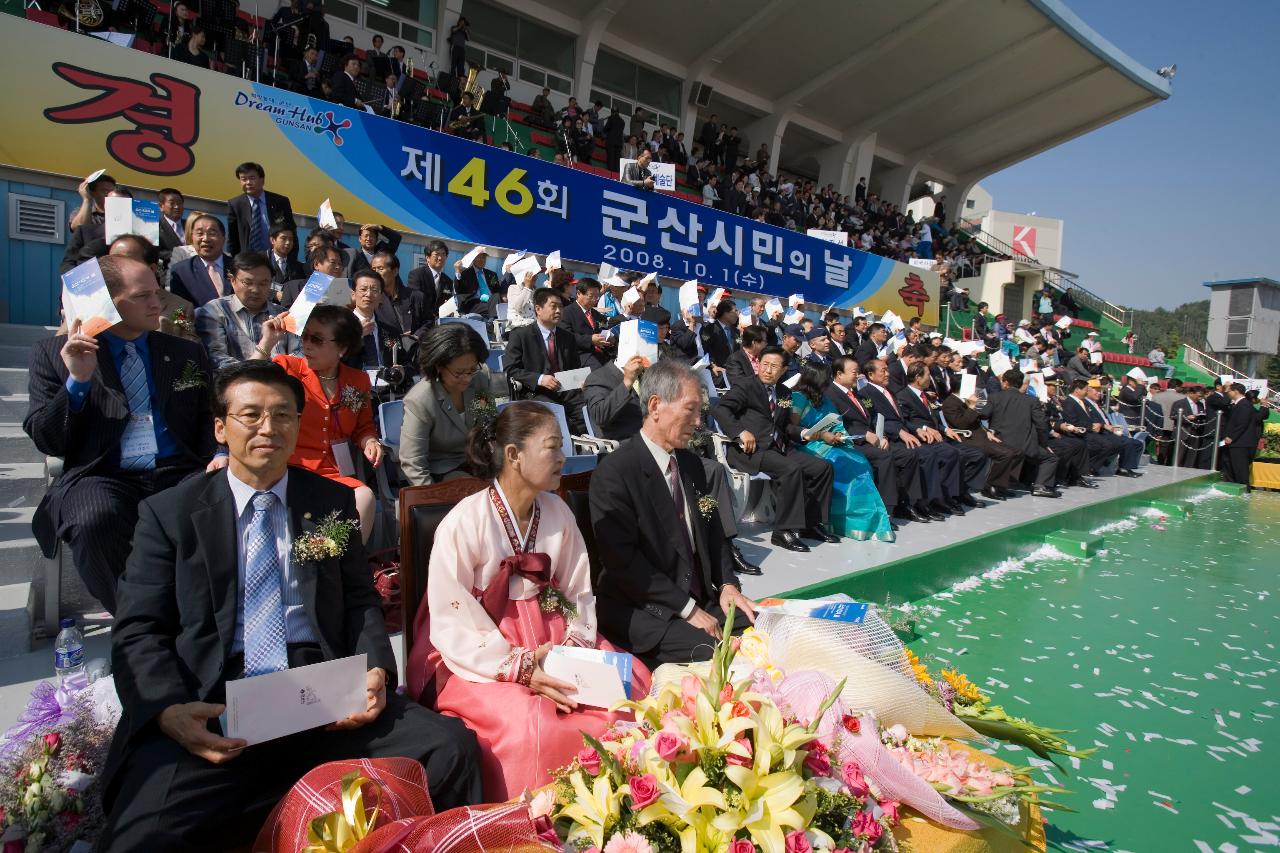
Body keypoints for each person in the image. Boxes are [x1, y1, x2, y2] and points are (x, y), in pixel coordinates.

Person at [97, 361, 481, 851]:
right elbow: (139, 629)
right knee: (144, 832)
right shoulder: (170, 513)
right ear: (220, 427)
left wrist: (375, 674)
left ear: (299, 425)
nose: (268, 428)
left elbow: (360, 601)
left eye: (283, 415)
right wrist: (169, 709)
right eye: (251, 415)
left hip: (317, 688)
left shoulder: (328, 502)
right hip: (215, 697)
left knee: (451, 748)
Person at [407, 401, 649, 800]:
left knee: (628, 689)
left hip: (555, 632)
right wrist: (518, 667)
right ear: (514, 455)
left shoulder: (557, 512)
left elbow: (578, 591)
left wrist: (573, 651)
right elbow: (452, 614)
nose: (562, 458)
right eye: (552, 447)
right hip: (480, 645)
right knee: (528, 723)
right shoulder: (464, 521)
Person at [24, 256, 216, 614]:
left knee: (220, 503)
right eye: (142, 296)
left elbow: (208, 414)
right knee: (94, 517)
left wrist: (219, 452)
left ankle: (206, 619)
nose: (157, 304)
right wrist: (77, 382)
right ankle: (137, 623)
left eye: (156, 293)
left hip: (178, 468)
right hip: (102, 472)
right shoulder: (54, 354)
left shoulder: (184, 351)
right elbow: (47, 439)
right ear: (107, 302)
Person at [591, 360, 757, 667]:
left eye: (700, 412)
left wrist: (727, 585)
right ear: (656, 406)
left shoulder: (692, 464)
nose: (698, 421)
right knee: (721, 654)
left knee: (761, 629)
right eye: (691, 410)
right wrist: (688, 610)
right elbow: (624, 564)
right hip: (648, 609)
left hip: (699, 597)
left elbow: (715, 535)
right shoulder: (615, 473)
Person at [271, 306, 382, 542]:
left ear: (341, 348)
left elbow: (363, 427)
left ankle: (349, 568)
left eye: (317, 339)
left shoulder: (357, 380)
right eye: (305, 336)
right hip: (291, 468)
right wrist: (266, 341)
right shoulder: (289, 369)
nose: (307, 344)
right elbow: (246, 382)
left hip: (333, 470)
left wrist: (370, 440)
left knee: (365, 497)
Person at [712, 347, 837, 552]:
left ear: (784, 370)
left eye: (774, 367)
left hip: (779, 447)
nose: (768, 370)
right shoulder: (745, 386)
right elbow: (720, 409)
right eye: (764, 365)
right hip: (752, 450)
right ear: (758, 364)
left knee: (822, 467)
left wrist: (806, 433)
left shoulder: (784, 392)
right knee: (790, 469)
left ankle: (811, 523)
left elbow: (784, 426)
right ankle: (783, 531)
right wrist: (740, 431)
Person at [788, 361, 894, 541]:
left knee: (860, 461)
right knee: (841, 462)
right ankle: (836, 518)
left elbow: (837, 421)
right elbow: (793, 428)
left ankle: (867, 519)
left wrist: (838, 435)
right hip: (808, 444)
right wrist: (820, 435)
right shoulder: (798, 397)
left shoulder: (824, 399)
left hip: (830, 440)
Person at [399, 324, 491, 485]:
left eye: (472, 370)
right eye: (459, 373)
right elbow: (413, 462)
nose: (468, 378)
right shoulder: (421, 400)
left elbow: (489, 421)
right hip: (443, 470)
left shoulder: (480, 379)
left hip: (480, 461)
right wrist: (432, 499)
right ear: (438, 366)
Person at [896, 362, 989, 506]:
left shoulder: (925, 396)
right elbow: (905, 421)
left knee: (978, 454)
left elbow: (933, 419)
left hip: (940, 436)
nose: (930, 378)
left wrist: (945, 429)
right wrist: (925, 428)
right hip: (925, 438)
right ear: (918, 378)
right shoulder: (903, 396)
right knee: (953, 454)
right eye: (927, 375)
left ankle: (961, 490)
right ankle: (944, 496)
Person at [195, 251, 301, 368]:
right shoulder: (213, 311)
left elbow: (298, 358)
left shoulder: (284, 315)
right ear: (232, 280)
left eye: (263, 283)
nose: (255, 290)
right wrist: (265, 345)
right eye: (248, 282)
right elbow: (220, 366)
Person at [502, 288, 587, 433]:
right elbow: (511, 369)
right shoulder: (520, 335)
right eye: (553, 306)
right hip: (537, 392)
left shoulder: (568, 337)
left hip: (567, 390)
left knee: (589, 413)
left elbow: (575, 367)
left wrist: (580, 381)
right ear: (538, 309)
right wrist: (540, 379)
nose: (559, 310)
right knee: (559, 421)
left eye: (561, 306)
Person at [942, 373, 1033, 499]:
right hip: (968, 438)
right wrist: (973, 407)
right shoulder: (950, 403)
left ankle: (1001, 484)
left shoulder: (967, 399)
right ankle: (990, 485)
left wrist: (987, 431)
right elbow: (961, 424)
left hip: (981, 435)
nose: (974, 388)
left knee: (1018, 452)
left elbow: (978, 421)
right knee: (1006, 454)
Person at [982, 369, 1061, 495]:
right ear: (1020, 384)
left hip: (1000, 443)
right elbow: (1041, 425)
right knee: (1050, 458)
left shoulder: (994, 397)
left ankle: (1005, 485)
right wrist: (1044, 444)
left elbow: (983, 415)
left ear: (1005, 383)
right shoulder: (1032, 401)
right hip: (1026, 446)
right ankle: (1040, 486)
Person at [226, 162, 296, 257]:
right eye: (243, 179)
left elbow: (291, 232)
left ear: (262, 180)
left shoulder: (280, 202)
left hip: (275, 258)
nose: (248, 182)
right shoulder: (235, 204)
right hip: (248, 260)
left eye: (252, 178)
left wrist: (291, 259)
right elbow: (232, 238)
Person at [280, 242, 346, 308]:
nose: (338, 267)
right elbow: (284, 314)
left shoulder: (344, 291)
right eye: (333, 262)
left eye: (340, 264)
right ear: (316, 264)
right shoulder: (293, 287)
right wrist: (310, 306)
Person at [1220, 382, 1260, 485]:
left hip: (1241, 443)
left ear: (1236, 392)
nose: (1228, 393)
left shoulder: (1244, 405)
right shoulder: (1238, 404)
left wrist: (1231, 436)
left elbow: (1242, 423)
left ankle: (1244, 492)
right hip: (1237, 443)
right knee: (1232, 468)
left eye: (1230, 391)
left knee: (1240, 471)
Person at [407, 240, 453, 319]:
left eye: (443, 254)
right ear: (427, 258)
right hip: (421, 321)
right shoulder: (416, 275)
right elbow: (414, 302)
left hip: (440, 322)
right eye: (437, 254)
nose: (440, 258)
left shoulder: (448, 281)